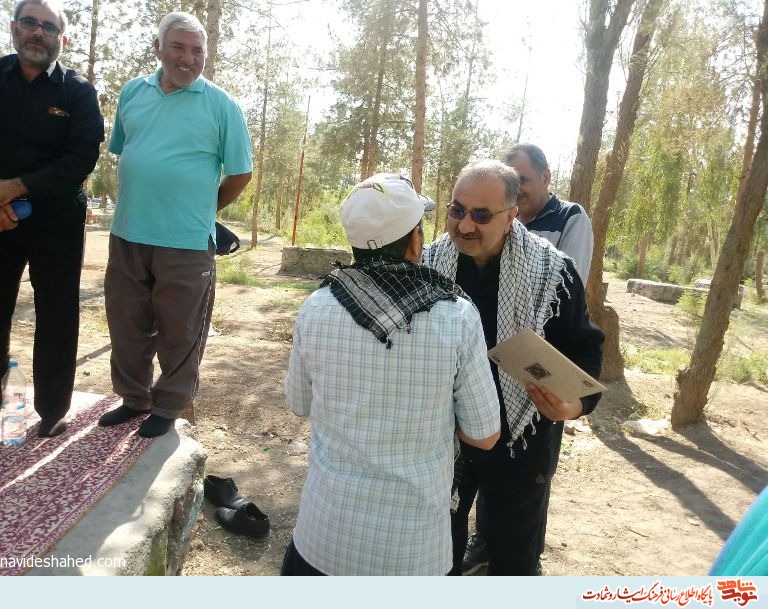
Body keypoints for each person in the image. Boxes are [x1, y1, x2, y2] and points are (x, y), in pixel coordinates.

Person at [282, 174, 501, 575]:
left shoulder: (316, 307)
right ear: (415, 241)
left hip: (323, 538)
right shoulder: (456, 317)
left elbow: (299, 402)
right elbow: (484, 435)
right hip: (412, 552)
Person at [422, 160, 604, 575]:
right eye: (457, 210)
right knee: (438, 552)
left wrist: (572, 406)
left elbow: (586, 351)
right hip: (443, 436)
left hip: (523, 437)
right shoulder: (427, 266)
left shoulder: (553, 273)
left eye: (482, 215)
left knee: (514, 560)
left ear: (511, 216)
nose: (465, 225)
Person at [97, 11, 252, 438]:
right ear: (158, 49)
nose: (188, 58)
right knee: (126, 325)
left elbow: (240, 173)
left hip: (186, 242)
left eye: (197, 50)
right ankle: (133, 399)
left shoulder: (222, 105)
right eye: (178, 47)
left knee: (180, 332)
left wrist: (204, 209)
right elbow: (125, 149)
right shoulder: (133, 92)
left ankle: (167, 406)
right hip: (128, 233)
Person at [0, 0, 104, 437]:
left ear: (62, 39)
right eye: (29, 23)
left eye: (47, 27)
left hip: (57, 219)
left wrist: (14, 187)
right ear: (14, 27)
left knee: (57, 313)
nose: (37, 33)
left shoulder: (78, 92)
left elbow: (81, 158)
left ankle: (52, 412)